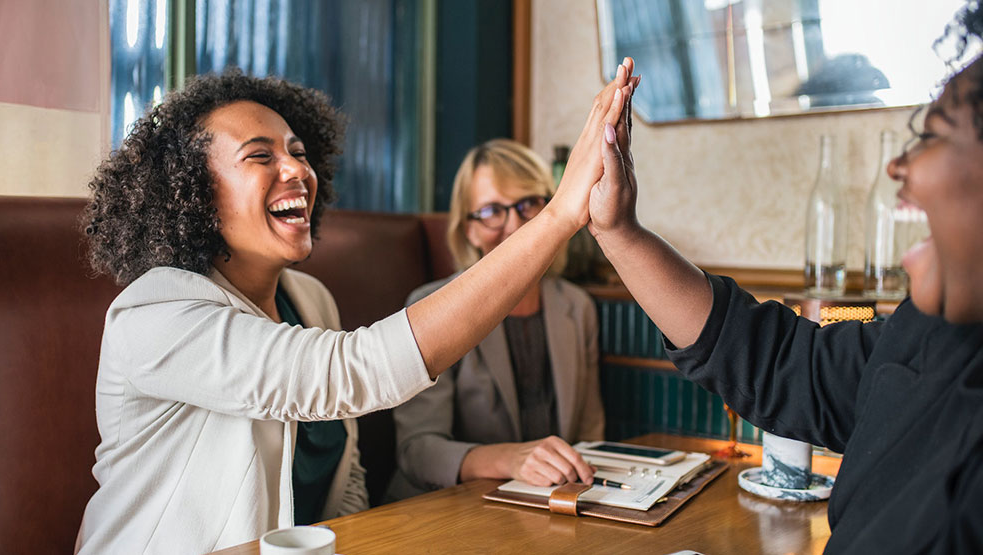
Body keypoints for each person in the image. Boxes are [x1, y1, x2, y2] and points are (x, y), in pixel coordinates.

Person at [75, 62, 637, 554]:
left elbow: (344, 480)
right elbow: (353, 372)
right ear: (192, 192)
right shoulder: (155, 313)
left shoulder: (310, 299)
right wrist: (561, 214)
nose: (297, 170)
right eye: (260, 156)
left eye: (299, 152)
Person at [587, 4, 983, 553]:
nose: (899, 166)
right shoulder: (933, 333)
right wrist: (620, 233)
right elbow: (790, 368)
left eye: (932, 135)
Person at [387, 139, 604, 500]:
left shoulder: (577, 306)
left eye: (527, 204)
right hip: (448, 509)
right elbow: (417, 452)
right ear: (468, 229)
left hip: (548, 506)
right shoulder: (428, 305)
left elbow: (591, 434)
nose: (515, 225)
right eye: (491, 211)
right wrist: (509, 460)